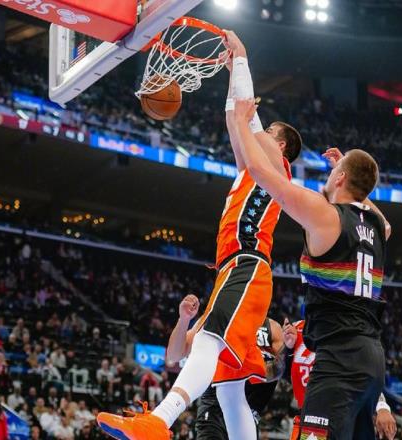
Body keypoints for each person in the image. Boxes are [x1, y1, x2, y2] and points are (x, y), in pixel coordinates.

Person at [96, 31, 302, 440]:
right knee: (229, 388)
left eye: (268, 128)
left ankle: (160, 420)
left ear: (280, 144)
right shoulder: (253, 168)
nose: (260, 126)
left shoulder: (277, 165)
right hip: (234, 268)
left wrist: (241, 59)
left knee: (209, 341)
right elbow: (235, 119)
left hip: (247, 263)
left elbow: (243, 116)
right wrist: (232, 71)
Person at [233, 70, 392, 439]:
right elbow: (386, 225)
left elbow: (262, 173)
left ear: (340, 178)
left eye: (336, 171)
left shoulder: (327, 216)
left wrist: (241, 122)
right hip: (372, 359)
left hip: (339, 360)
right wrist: (352, 178)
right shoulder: (375, 226)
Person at [165, 295, 285, 439]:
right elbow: (174, 355)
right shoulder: (215, 316)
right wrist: (184, 319)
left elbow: (280, 369)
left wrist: (258, 366)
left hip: (248, 409)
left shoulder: (272, 328)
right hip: (215, 406)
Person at [282, 320, 397, 439]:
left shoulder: (349, 332)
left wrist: (382, 407)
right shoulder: (296, 328)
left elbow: (364, 375)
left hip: (341, 414)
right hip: (311, 417)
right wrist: (288, 350)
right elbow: (282, 375)